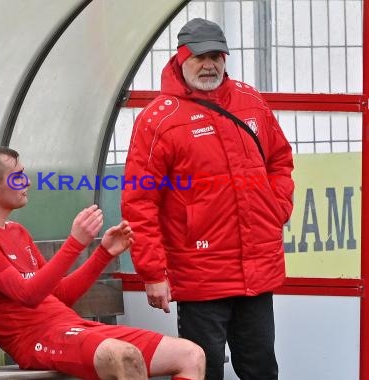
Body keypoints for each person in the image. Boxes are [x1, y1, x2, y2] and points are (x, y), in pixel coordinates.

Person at [121, 18, 294, 380]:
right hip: (200, 273)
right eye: (200, 57)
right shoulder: (158, 119)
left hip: (257, 268)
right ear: (181, 58)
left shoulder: (250, 101)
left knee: (261, 367)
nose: (209, 64)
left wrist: (276, 207)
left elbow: (280, 160)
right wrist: (153, 272)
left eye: (217, 55)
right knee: (204, 369)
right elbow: (139, 201)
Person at [0, 146, 205, 380]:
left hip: (72, 327)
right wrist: (75, 243)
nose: (27, 182)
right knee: (124, 357)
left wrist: (103, 254)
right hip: (36, 339)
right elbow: (27, 295)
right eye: (17, 177)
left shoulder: (17, 231)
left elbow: (58, 295)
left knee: (191, 355)